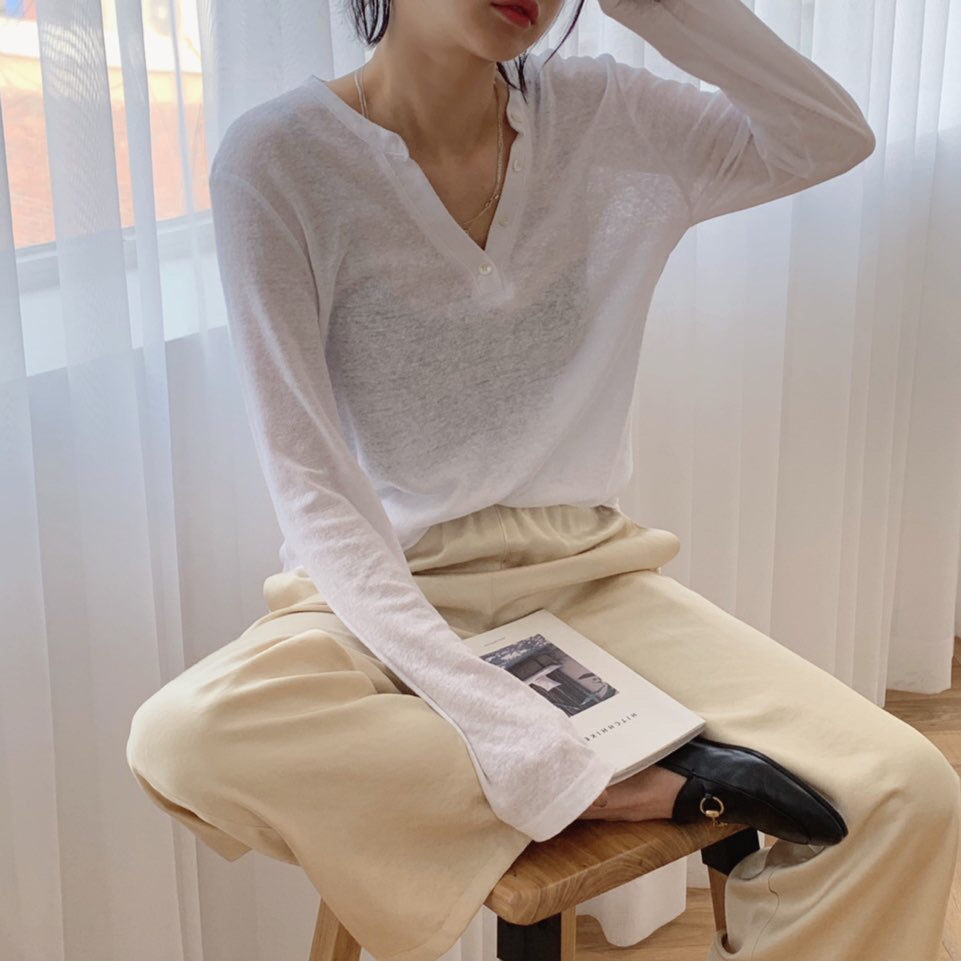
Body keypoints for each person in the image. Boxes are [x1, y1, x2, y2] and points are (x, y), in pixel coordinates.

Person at [125, 0, 960, 959]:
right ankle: (627, 780)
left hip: (587, 574)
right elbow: (311, 484)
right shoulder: (279, 158)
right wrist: (532, 751)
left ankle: (602, 769)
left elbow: (826, 135)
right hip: (384, 589)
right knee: (184, 736)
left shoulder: (604, 116)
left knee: (908, 792)